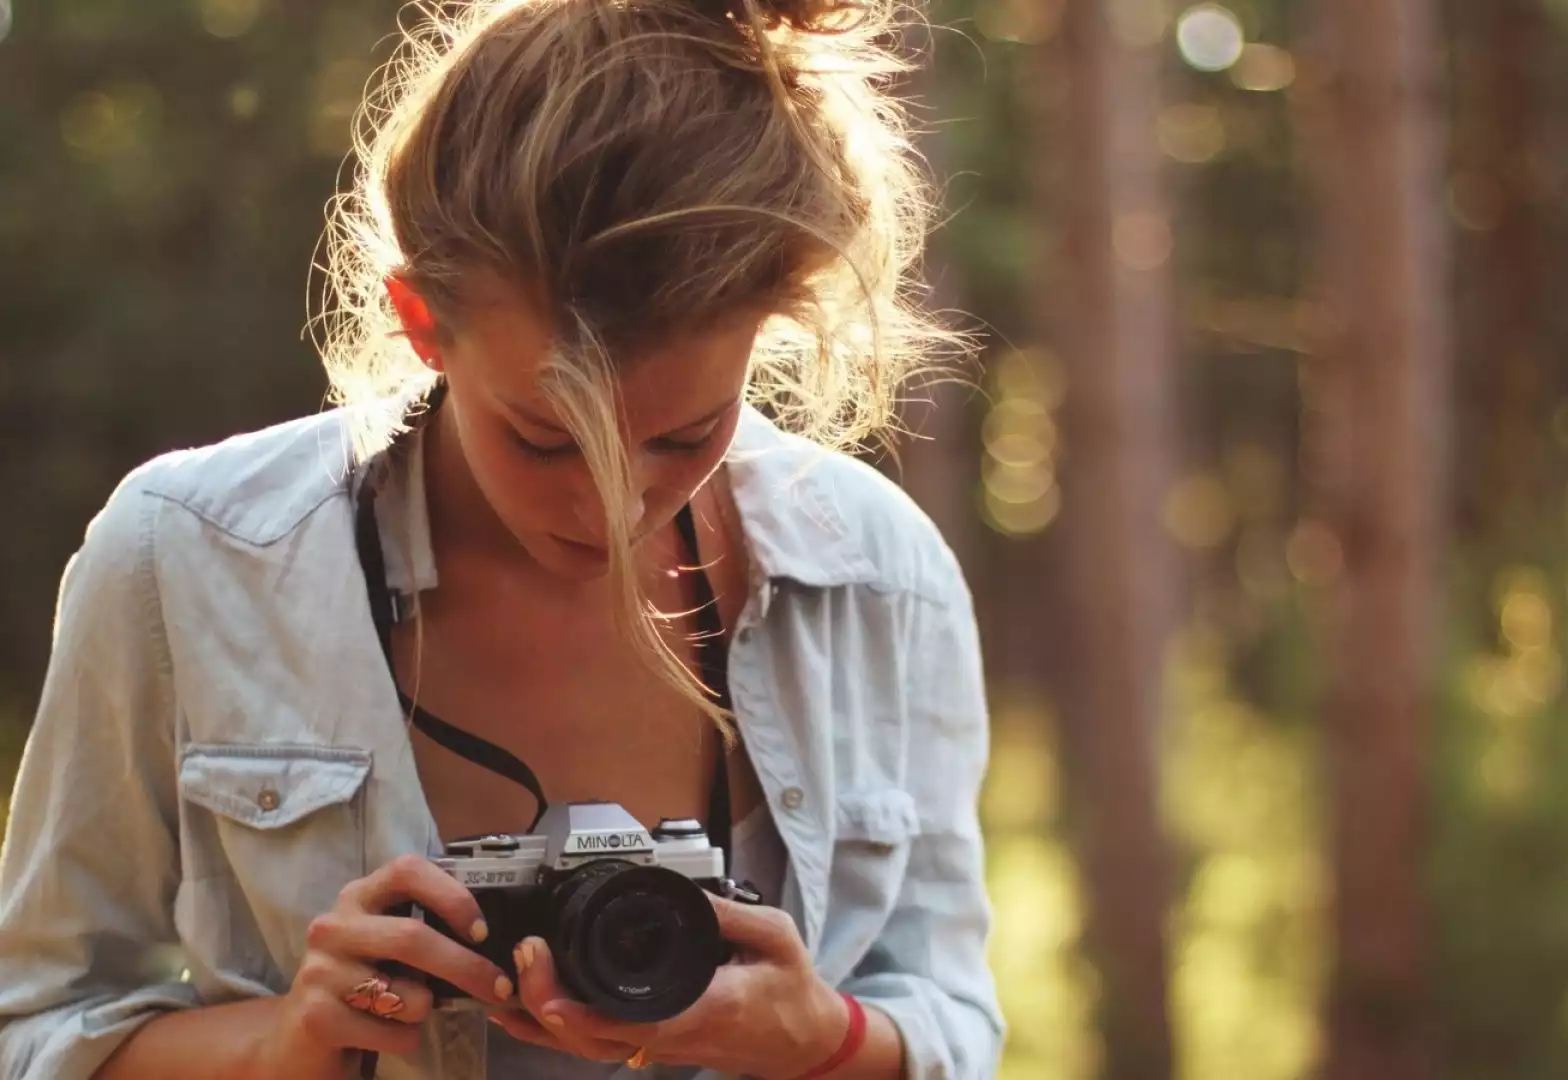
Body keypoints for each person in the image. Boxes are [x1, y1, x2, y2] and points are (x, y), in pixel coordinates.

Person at [0, 0, 1003, 1077]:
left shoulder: (878, 577)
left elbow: (951, 1018)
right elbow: (38, 1026)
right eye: (543, 440)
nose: (609, 513)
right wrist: (283, 1046)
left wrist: (821, 1039)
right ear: (421, 318)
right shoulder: (189, 562)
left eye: (682, 435)